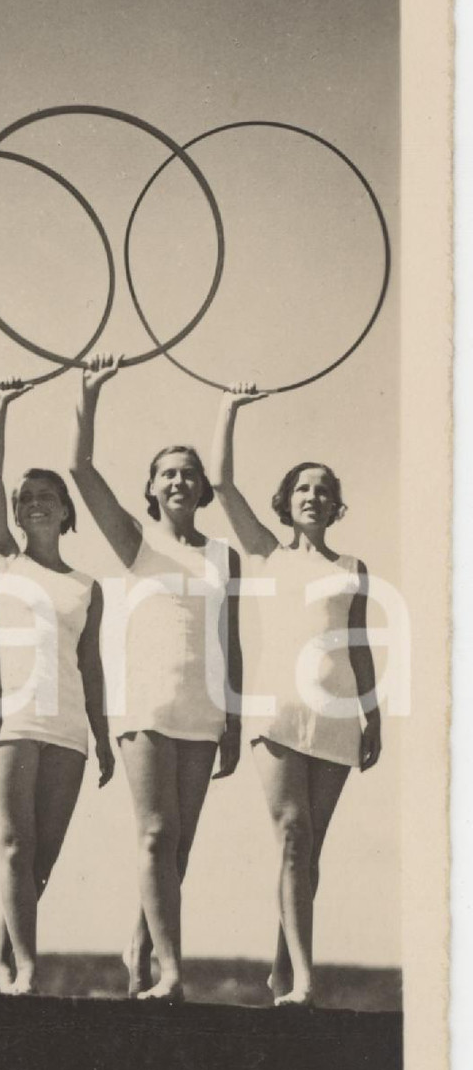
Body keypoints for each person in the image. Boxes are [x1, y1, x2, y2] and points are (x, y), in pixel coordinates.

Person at [70, 355, 242, 1001]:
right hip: (143, 704)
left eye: (189, 474)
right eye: (167, 473)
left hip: (203, 708)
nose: (179, 481)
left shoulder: (224, 556)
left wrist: (234, 720)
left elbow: (231, 640)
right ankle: (172, 971)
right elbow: (81, 473)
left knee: (180, 848)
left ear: (202, 490)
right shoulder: (136, 542)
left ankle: (142, 946)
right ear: (152, 487)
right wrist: (89, 396)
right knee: (155, 835)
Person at [208, 382, 381, 1007]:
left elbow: (358, 644)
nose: (314, 496)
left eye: (324, 490)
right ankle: (305, 979)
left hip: (336, 715)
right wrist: (228, 409)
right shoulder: (266, 553)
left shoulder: (353, 568)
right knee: (292, 835)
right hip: (276, 712)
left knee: (311, 851)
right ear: (287, 501)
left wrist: (374, 716)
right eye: (303, 487)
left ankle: (283, 972)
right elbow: (222, 484)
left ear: (335, 507)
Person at [0, 381, 114, 995]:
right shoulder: (4, 559)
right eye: (25, 498)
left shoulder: (88, 585)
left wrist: (104, 737)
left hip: (67, 725)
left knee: (43, 860)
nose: (35, 505)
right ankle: (23, 967)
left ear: (66, 510)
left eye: (47, 498)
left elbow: (93, 668)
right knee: (13, 845)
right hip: (9, 716)